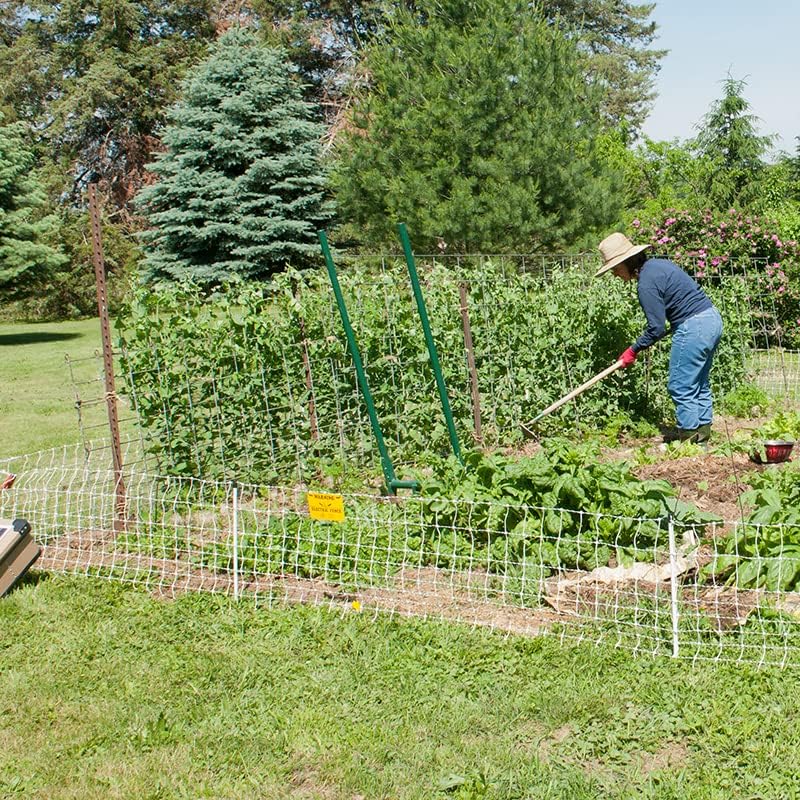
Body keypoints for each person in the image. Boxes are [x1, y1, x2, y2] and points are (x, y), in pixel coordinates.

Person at [595, 232, 723, 443]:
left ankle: (690, 443)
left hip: (694, 326)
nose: (615, 275)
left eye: (615, 269)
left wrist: (632, 350)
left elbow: (656, 328)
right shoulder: (658, 266)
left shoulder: (645, 283)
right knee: (698, 383)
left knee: (681, 386)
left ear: (627, 262)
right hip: (711, 319)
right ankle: (702, 439)